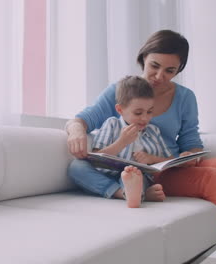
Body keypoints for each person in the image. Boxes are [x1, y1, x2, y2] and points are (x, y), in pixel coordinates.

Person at [65, 30, 216, 264]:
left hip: (173, 164)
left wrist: (191, 155)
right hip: (152, 175)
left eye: (170, 70)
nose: (159, 76)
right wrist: (76, 131)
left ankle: (209, 192)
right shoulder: (122, 91)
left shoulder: (185, 97)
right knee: (211, 178)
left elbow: (191, 141)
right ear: (143, 57)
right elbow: (83, 119)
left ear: (179, 70)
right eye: (154, 66)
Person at [69, 75, 171, 208]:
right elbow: (96, 158)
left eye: (150, 111)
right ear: (120, 110)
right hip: (106, 176)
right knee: (77, 167)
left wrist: (151, 158)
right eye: (138, 113)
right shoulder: (112, 124)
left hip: (137, 176)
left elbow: (168, 159)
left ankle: (134, 192)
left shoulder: (153, 131)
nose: (145, 118)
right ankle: (129, 194)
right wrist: (121, 142)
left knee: (136, 177)